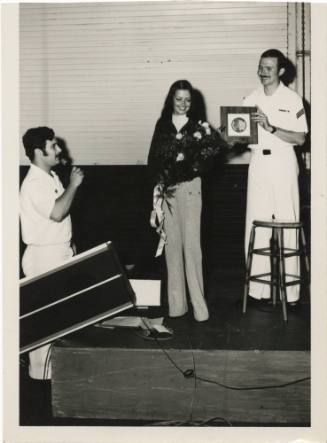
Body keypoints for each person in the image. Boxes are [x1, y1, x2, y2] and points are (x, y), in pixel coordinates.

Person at [148, 80, 225, 322]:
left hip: (192, 188)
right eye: (179, 99)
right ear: (171, 99)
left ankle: (200, 310)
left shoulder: (199, 127)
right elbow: (153, 159)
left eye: (188, 100)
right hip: (168, 191)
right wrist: (160, 186)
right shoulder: (162, 125)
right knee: (172, 248)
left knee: (192, 248)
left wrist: (190, 166)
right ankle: (176, 307)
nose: (183, 104)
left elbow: (211, 159)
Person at [242, 49, 308, 305]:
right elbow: (240, 135)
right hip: (258, 163)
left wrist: (271, 127)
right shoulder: (250, 98)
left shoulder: (293, 99)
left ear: (281, 70)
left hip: (283, 163)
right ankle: (257, 292)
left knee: (288, 224)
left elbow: (300, 138)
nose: (263, 72)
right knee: (254, 226)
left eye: (268, 68)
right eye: (260, 66)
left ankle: (290, 294)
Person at [20, 126, 84, 379]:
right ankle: (40, 384)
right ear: (39, 151)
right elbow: (57, 213)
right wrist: (75, 185)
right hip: (43, 258)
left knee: (59, 319)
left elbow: (58, 216)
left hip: (58, 253)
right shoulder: (34, 182)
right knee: (44, 324)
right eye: (53, 146)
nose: (58, 150)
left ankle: (55, 380)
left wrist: (69, 244)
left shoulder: (51, 177)